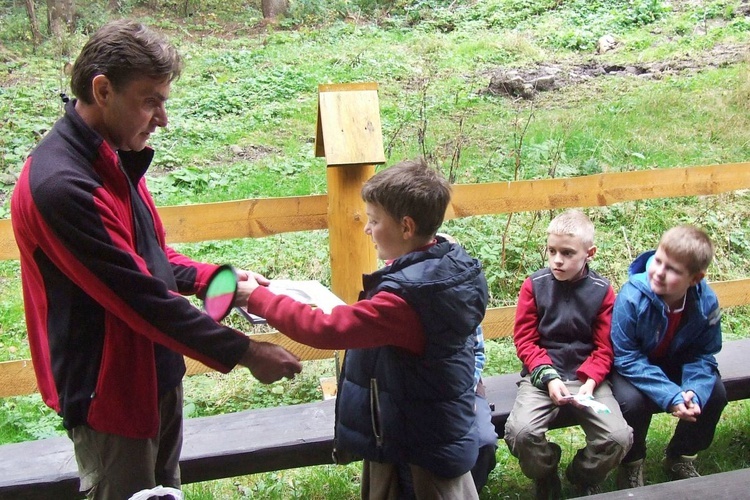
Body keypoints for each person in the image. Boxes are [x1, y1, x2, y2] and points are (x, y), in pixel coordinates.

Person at [10, 19, 302, 499]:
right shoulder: (61, 185)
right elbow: (141, 297)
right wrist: (247, 352)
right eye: (151, 100)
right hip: (111, 399)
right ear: (102, 90)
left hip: (157, 375)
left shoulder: (114, 154)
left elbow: (150, 257)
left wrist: (219, 279)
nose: (162, 118)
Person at [243, 158, 489, 499]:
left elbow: (326, 329)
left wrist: (257, 298)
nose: (366, 229)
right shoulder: (445, 267)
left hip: (416, 447)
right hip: (421, 430)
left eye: (374, 221)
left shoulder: (407, 298)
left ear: (406, 227)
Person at [503, 209, 632, 499]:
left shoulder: (602, 291)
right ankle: (546, 473)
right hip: (542, 375)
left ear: (590, 253)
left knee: (618, 438)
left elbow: (604, 346)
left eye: (567, 253)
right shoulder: (534, 285)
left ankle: (581, 475)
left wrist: (589, 381)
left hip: (587, 377)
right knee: (521, 433)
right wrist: (548, 378)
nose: (557, 260)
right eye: (551, 251)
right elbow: (525, 340)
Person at [610, 224, 727, 489]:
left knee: (715, 394)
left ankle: (680, 456)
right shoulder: (631, 297)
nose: (659, 272)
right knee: (632, 402)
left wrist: (692, 392)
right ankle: (632, 461)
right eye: (658, 260)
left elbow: (704, 353)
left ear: (695, 279)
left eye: (672, 269)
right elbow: (625, 356)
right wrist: (670, 395)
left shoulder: (707, 302)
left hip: (677, 361)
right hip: (634, 365)